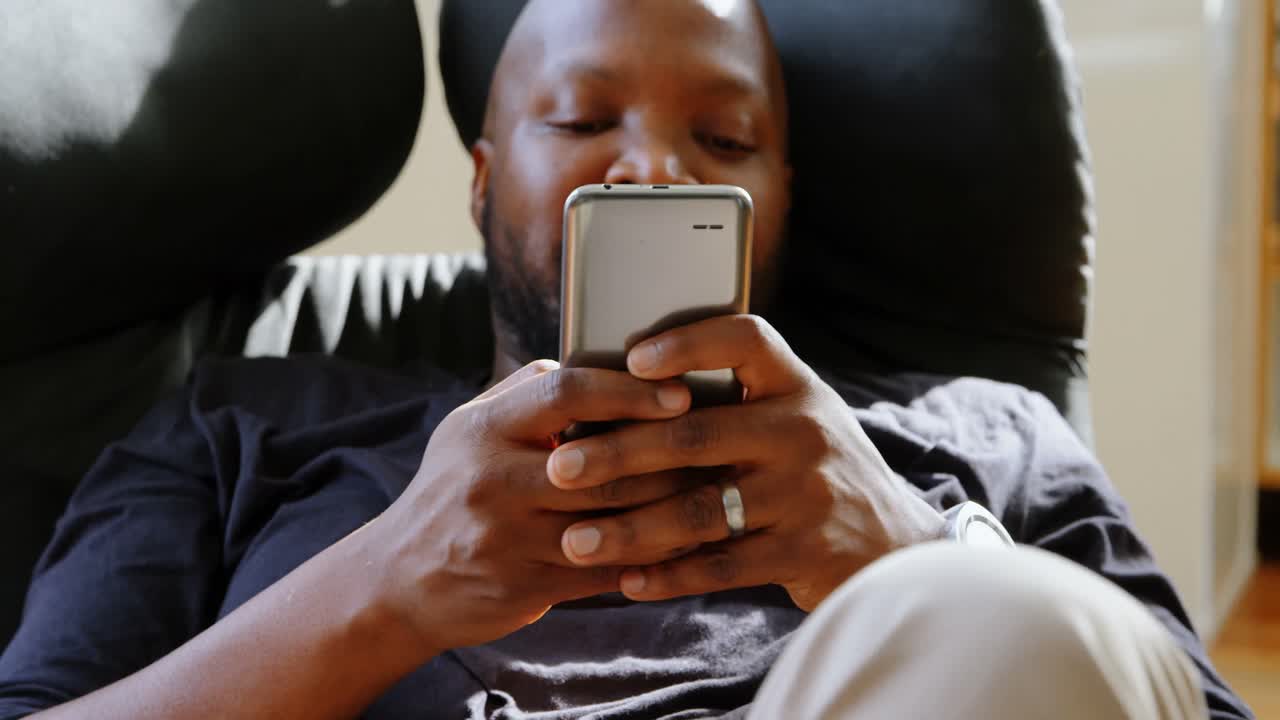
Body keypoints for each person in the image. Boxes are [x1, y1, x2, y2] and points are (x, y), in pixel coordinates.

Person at [0, 1, 1253, 718]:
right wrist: (380, 589)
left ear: (780, 193)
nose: (652, 166)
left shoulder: (979, 436)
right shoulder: (242, 425)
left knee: (1004, 615)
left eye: (722, 138)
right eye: (582, 117)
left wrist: (910, 551)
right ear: (483, 180)